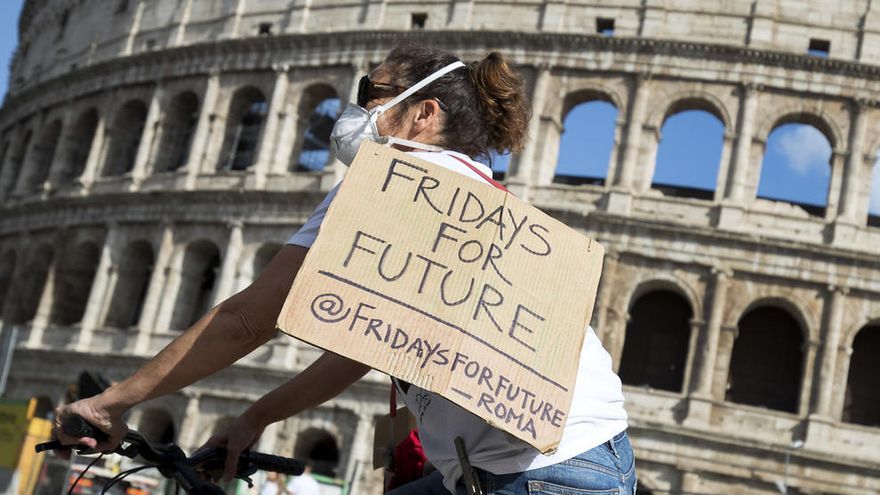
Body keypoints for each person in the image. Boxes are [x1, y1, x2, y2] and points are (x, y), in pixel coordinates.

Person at [53, 45, 636, 495]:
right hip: (586, 455)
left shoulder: (388, 187)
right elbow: (357, 350)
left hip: (535, 472)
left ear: (424, 113)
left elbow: (250, 319)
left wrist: (110, 404)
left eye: (372, 92)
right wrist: (257, 416)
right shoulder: (486, 204)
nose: (356, 110)